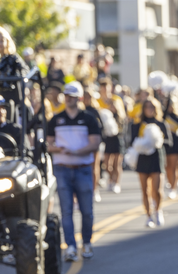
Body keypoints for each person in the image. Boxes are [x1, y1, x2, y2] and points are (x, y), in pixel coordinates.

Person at [47, 82, 101, 262]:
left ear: (78, 98)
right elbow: (48, 144)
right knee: (66, 210)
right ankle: (70, 245)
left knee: (86, 210)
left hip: (83, 168)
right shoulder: (56, 119)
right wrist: (59, 149)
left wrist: (78, 151)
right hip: (62, 168)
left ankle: (86, 242)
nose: (69, 99)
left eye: (72, 96)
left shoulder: (89, 118)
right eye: (67, 96)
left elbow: (95, 143)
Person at [131, 97, 171, 228]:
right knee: (145, 190)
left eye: (152, 107)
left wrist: (156, 142)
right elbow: (132, 141)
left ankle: (158, 210)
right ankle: (148, 216)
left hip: (156, 157)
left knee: (157, 189)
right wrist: (143, 145)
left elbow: (169, 142)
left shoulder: (161, 124)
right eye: (147, 107)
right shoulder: (138, 124)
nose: (149, 109)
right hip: (142, 158)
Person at [97, 79, 125, 194]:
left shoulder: (116, 100)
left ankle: (116, 182)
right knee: (107, 163)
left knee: (117, 162)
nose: (105, 89)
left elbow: (123, 116)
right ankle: (110, 178)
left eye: (107, 87)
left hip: (117, 133)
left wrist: (115, 109)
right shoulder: (97, 101)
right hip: (105, 135)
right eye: (102, 87)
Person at [81, 90, 104, 203]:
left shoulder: (94, 111)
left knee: (94, 167)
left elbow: (101, 127)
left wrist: (98, 141)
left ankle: (95, 190)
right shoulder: (80, 111)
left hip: (93, 142)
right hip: (82, 143)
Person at [163, 97, 178, 199]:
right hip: (165, 146)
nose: (171, 107)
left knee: (173, 167)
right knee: (167, 168)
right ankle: (170, 183)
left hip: (175, 146)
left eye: (172, 105)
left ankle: (173, 188)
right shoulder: (164, 118)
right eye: (169, 105)